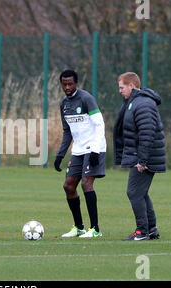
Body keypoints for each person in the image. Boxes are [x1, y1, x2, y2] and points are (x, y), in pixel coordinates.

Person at [54, 69, 106, 238]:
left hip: (93, 148)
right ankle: (79, 227)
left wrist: (95, 150)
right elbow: (67, 132)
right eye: (64, 84)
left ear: (76, 83)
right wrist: (60, 155)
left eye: (70, 83)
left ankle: (95, 229)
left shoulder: (86, 99)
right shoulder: (64, 104)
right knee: (68, 186)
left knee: (86, 184)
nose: (67, 87)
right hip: (78, 150)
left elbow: (99, 124)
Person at [114, 72, 165, 241]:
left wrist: (142, 160)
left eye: (122, 87)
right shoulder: (133, 102)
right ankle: (151, 230)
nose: (120, 91)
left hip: (145, 157)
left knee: (134, 192)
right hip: (141, 156)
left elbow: (147, 132)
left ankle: (142, 231)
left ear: (132, 86)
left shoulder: (142, 103)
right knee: (141, 193)